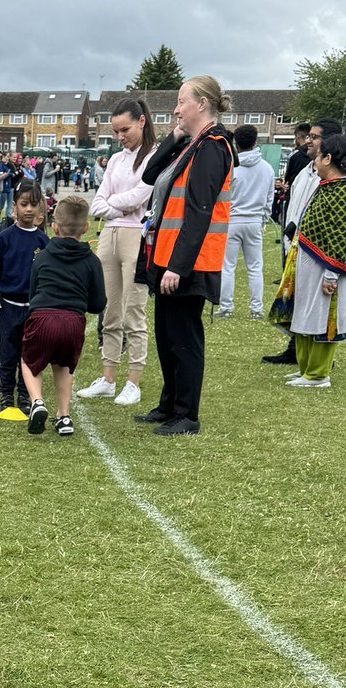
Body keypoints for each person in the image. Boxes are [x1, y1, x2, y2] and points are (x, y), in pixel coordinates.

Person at [135, 75, 235, 435]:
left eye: (181, 102)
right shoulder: (191, 144)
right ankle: (169, 405)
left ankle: (187, 414)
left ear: (202, 104)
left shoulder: (213, 146)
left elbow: (200, 211)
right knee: (166, 335)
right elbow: (149, 174)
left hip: (191, 263)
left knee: (184, 338)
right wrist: (174, 137)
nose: (176, 109)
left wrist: (178, 266)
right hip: (167, 257)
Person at [78, 96, 157, 408]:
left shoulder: (154, 156)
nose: (120, 137)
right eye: (115, 132)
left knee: (133, 309)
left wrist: (115, 205)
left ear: (141, 121)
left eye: (124, 130)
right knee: (109, 309)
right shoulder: (114, 160)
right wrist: (118, 206)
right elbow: (97, 203)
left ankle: (133, 382)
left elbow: (142, 195)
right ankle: (108, 378)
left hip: (136, 236)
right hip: (109, 236)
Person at [22, 195, 106, 438]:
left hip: (43, 316)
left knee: (29, 360)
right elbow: (98, 303)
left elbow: (33, 291)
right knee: (64, 365)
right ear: (86, 227)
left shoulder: (43, 257)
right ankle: (64, 416)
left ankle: (37, 401)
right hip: (72, 321)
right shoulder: (92, 261)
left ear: (54, 227)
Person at [262, 118, 342, 365]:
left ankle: (316, 363)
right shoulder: (306, 171)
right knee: (297, 300)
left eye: (314, 137)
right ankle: (297, 350)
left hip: (319, 253)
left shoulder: (334, 181)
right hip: (297, 248)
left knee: (316, 307)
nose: (308, 140)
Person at [0, 180, 49, 413]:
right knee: (9, 355)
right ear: (15, 207)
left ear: (40, 208)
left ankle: (25, 395)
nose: (29, 210)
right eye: (24, 204)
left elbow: (47, 277)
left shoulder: (43, 241)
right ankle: (5, 395)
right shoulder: (5, 237)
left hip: (33, 308)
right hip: (8, 307)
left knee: (28, 355)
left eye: (33, 205)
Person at [217, 125, 275, 319]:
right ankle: (256, 309)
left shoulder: (231, 167)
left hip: (232, 220)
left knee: (227, 266)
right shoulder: (266, 168)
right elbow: (269, 198)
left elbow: (223, 196)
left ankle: (226, 307)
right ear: (255, 141)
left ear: (236, 143)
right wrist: (263, 219)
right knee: (255, 267)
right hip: (254, 221)